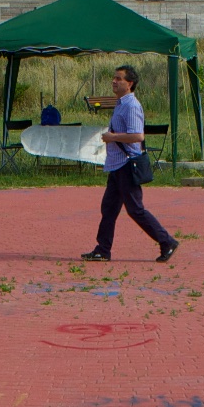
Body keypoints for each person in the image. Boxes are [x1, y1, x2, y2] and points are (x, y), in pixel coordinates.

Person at [80, 65, 179, 263]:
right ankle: (103, 250)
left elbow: (137, 135)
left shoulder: (131, 106)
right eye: (114, 78)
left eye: (119, 79)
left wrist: (112, 137)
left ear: (130, 83)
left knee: (135, 210)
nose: (114, 81)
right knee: (108, 208)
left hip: (127, 165)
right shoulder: (120, 103)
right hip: (116, 166)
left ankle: (166, 241)